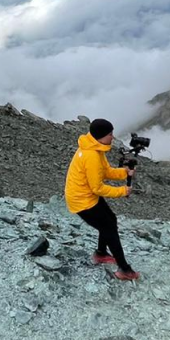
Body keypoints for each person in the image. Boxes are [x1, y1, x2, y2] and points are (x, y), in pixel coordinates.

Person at [64, 118, 140, 281]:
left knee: (110, 220)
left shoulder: (95, 148)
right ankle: (124, 270)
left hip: (85, 196)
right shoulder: (91, 155)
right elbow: (97, 188)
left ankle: (100, 254)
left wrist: (124, 173)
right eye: (110, 134)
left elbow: (104, 171)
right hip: (82, 201)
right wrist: (123, 191)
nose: (112, 137)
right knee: (109, 229)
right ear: (101, 135)